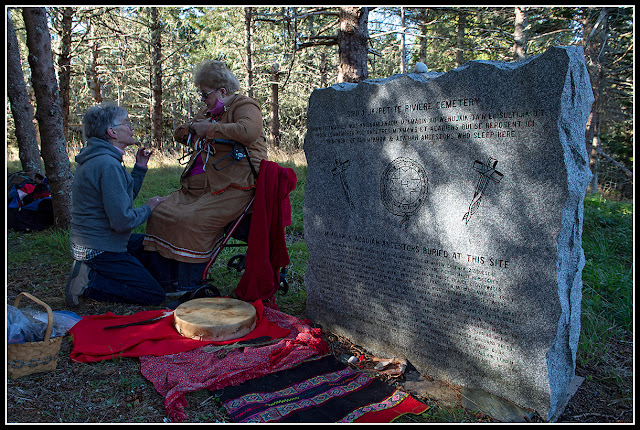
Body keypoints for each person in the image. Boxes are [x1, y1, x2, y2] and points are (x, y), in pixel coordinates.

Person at [142, 60, 267, 291]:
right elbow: (181, 130)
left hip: (235, 186)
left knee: (192, 220)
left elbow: (248, 132)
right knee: (160, 211)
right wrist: (195, 128)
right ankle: (165, 279)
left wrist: (208, 129)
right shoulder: (210, 110)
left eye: (205, 95)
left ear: (222, 91)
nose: (203, 100)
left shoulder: (245, 105)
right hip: (199, 186)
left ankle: (189, 284)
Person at [65, 102, 167, 307]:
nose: (131, 127)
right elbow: (122, 221)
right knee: (154, 295)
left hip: (95, 242)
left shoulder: (102, 159)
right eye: (126, 122)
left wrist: (139, 167)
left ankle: (149, 276)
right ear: (111, 131)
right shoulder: (108, 165)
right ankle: (89, 281)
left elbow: (123, 198)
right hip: (100, 248)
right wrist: (150, 207)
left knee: (154, 242)